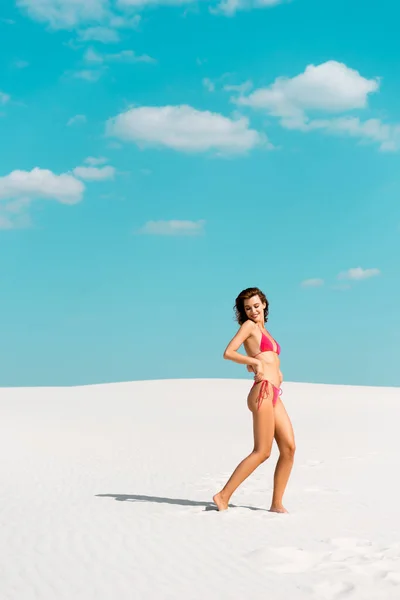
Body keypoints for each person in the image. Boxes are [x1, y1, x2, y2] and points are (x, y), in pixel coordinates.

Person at [213, 287, 295, 513]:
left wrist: (274, 370)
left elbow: (266, 357)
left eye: (256, 306)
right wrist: (255, 363)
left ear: (264, 305)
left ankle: (277, 503)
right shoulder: (248, 326)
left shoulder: (265, 330)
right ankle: (223, 495)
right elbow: (228, 352)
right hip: (263, 392)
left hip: (274, 393)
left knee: (289, 448)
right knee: (262, 451)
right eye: (248, 308)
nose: (253, 311)